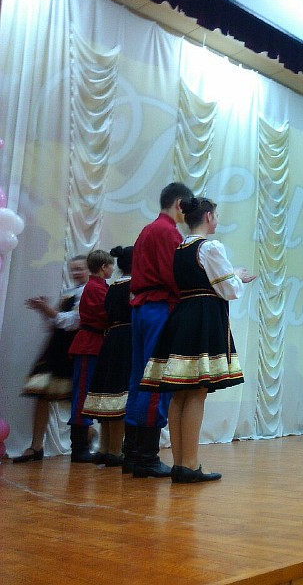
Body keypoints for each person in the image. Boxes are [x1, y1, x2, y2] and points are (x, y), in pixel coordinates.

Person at [139, 197, 255, 483]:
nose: (216, 220)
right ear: (208, 217)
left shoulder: (181, 248)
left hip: (183, 316)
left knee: (181, 392)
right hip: (203, 317)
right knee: (196, 391)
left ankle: (181, 463)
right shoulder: (210, 247)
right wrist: (237, 276)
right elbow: (228, 289)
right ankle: (189, 464)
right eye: (215, 215)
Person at [125, 181, 193, 478]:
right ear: (179, 204)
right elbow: (173, 275)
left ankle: (133, 453)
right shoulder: (168, 232)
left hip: (141, 308)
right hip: (159, 307)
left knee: (138, 379)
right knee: (157, 380)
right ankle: (147, 457)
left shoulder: (147, 230)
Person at [12, 256, 89, 463]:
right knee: (41, 395)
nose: (75, 273)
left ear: (89, 270)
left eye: (80, 269)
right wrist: (44, 310)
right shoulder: (69, 292)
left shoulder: (87, 292)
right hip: (55, 348)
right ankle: (36, 446)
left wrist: (47, 309)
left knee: (74, 400)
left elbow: (73, 322)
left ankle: (87, 439)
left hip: (70, 351)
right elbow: (55, 323)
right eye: (73, 269)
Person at [82, 246, 134, 467]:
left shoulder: (112, 287)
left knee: (108, 393)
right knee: (119, 395)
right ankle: (115, 450)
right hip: (126, 340)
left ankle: (104, 448)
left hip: (110, 339)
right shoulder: (133, 286)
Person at [66, 249, 115, 463]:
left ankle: (84, 444)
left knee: (88, 393)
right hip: (89, 345)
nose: (112, 269)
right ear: (104, 267)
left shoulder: (99, 287)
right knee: (82, 395)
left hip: (95, 344)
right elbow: (105, 314)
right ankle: (78, 447)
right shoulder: (94, 288)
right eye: (111, 266)